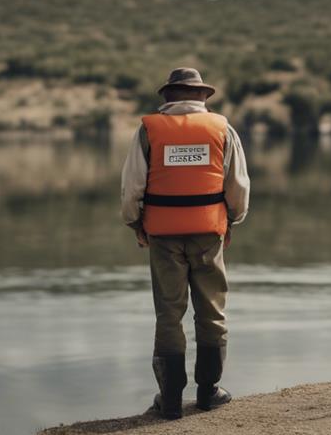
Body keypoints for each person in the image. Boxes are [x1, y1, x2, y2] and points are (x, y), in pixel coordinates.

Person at [120, 67, 250, 420]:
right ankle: (209, 393)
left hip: (163, 233)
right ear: (202, 97)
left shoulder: (149, 129)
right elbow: (237, 185)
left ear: (168, 98)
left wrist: (135, 221)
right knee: (212, 311)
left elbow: (132, 186)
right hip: (209, 232)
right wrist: (232, 221)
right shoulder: (222, 128)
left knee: (169, 313)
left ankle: (171, 400)